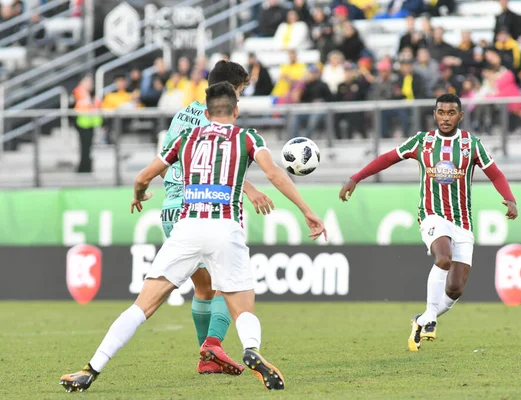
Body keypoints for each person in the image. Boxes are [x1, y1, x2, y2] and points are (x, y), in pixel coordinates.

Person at [59, 81, 327, 392]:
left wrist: (139, 193)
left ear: (207, 110)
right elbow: (275, 174)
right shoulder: (247, 137)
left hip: (187, 228)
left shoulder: (187, 137)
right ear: (236, 110)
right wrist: (307, 210)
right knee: (242, 308)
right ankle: (251, 349)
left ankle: (90, 369)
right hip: (225, 227)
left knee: (140, 307)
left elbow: (143, 176)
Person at [339, 94, 518, 352]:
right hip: (432, 216)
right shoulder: (422, 142)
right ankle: (431, 319)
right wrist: (356, 178)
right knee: (442, 258)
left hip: (462, 222)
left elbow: (495, 173)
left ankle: (421, 319)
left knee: (455, 289)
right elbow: (388, 158)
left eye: (451, 112)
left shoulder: (471, 144)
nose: (446, 117)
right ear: (435, 115)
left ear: (460, 116)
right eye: (441, 112)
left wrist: (509, 198)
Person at [157, 60, 274, 376]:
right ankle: (212, 346)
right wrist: (249, 190)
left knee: (204, 289)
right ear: (231, 90)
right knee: (227, 286)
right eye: (241, 91)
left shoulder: (184, 114)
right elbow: (216, 168)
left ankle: (208, 357)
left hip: (170, 206)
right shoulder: (220, 124)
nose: (241, 99)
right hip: (202, 206)